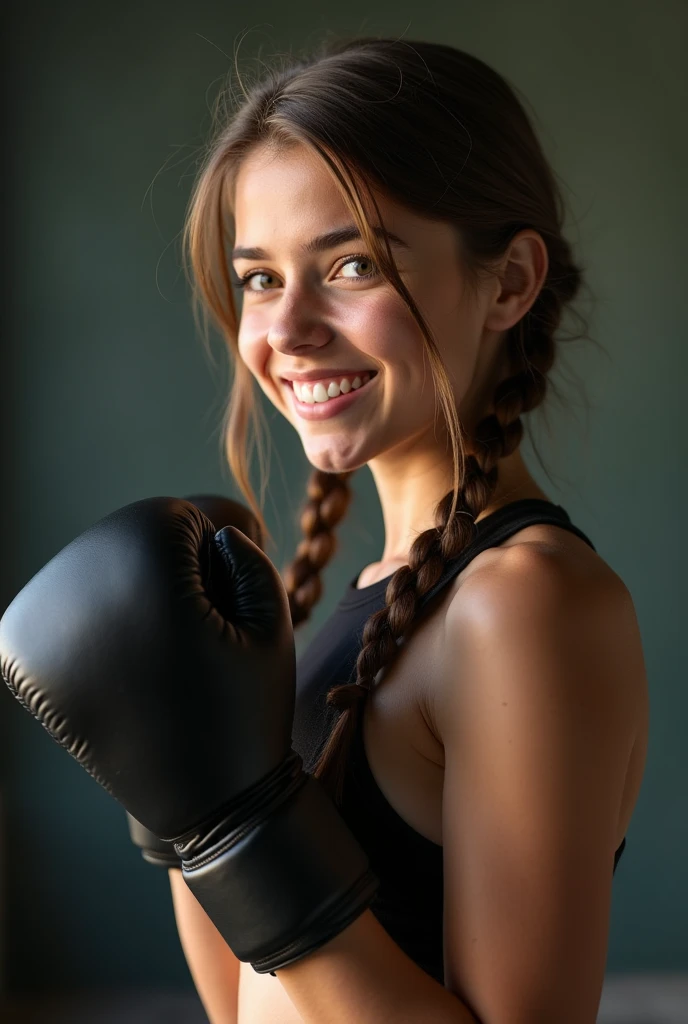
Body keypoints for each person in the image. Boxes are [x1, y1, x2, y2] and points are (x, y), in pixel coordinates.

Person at [1, 34, 649, 1024]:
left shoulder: (522, 602)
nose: (288, 328)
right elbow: (239, 1006)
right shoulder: (363, 601)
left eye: (350, 263)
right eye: (260, 277)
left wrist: (238, 823)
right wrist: (182, 796)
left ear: (511, 282)